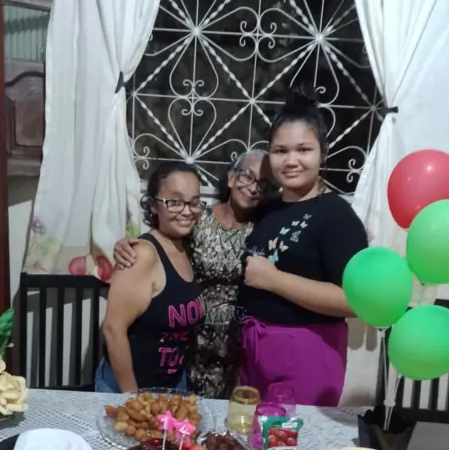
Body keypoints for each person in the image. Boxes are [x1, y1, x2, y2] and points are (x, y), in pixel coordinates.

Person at [238, 89, 369, 406]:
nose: (291, 161)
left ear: (323, 154)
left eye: (304, 149)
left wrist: (273, 279)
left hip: (308, 353)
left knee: (291, 437)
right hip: (254, 349)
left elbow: (354, 302)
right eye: (280, 151)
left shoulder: (337, 215)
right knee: (249, 434)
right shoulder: (269, 208)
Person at [113, 150, 274, 398]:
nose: (254, 188)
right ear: (231, 178)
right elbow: (162, 237)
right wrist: (126, 244)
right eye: (247, 176)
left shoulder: (265, 230)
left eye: (263, 183)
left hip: (237, 344)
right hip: (188, 341)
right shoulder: (197, 218)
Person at [95, 162, 205, 393]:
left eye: (194, 202)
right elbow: (113, 330)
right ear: (154, 205)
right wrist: (133, 400)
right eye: (175, 202)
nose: (187, 211)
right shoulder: (143, 254)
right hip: (129, 389)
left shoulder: (187, 248)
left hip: (172, 384)